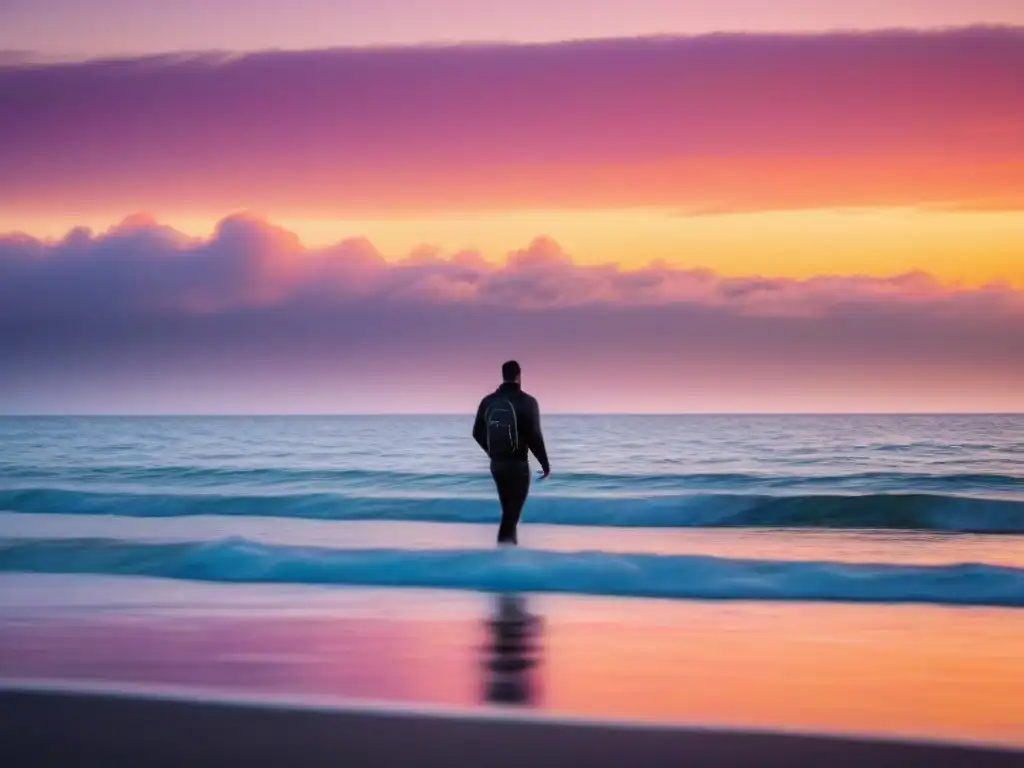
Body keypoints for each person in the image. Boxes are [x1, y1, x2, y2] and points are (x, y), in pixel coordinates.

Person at [472, 360, 550, 545]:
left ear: (503, 375)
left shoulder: (488, 401)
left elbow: (476, 432)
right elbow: (534, 436)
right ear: (519, 375)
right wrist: (545, 464)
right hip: (518, 465)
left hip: (497, 465)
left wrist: (492, 452)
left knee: (509, 511)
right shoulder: (528, 401)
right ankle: (502, 557)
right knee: (511, 514)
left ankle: (509, 555)